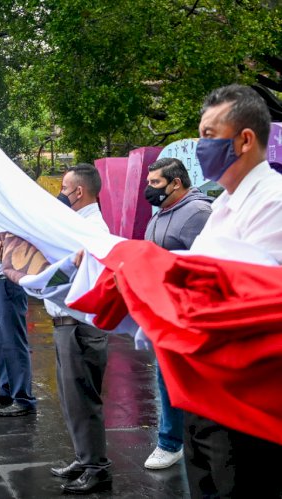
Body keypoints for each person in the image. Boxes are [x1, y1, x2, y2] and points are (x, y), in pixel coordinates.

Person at [184, 84, 282, 498]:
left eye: (208, 135)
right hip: (202, 389)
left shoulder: (272, 200)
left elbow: (241, 291)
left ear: (244, 139)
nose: (201, 146)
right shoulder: (223, 204)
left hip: (242, 397)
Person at [142, 157, 212, 470]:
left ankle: (172, 442)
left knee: (185, 378)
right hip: (163, 309)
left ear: (176, 183)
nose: (149, 189)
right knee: (166, 376)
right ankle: (175, 441)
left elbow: (206, 265)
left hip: (189, 312)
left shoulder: (198, 212)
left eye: (155, 183)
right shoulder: (159, 214)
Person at [48, 163, 113, 494]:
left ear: (79, 191)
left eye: (64, 186)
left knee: (84, 398)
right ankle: (84, 456)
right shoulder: (75, 224)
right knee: (71, 398)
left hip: (79, 326)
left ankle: (97, 468)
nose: (61, 192)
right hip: (66, 324)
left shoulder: (93, 230)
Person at [0, 239, 36, 417]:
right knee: (2, 340)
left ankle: (23, 398)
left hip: (8, 281)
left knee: (12, 341)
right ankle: (6, 390)